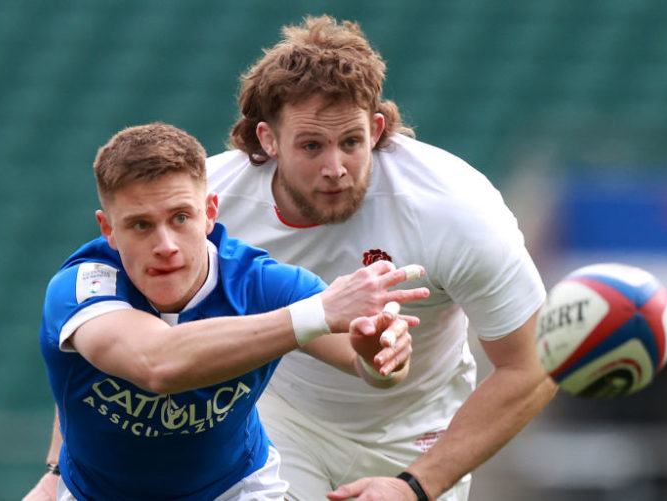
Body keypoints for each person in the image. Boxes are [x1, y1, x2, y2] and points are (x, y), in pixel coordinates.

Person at [206, 15, 558, 501]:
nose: (335, 169)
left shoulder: (452, 209)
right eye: (311, 146)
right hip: (276, 417)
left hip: (414, 437)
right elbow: (125, 323)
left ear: (374, 129)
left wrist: (415, 486)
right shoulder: (209, 205)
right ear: (268, 141)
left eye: (351, 142)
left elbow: (534, 364)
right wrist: (60, 466)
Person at [27, 122, 429, 501]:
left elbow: (373, 369)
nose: (165, 244)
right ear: (108, 229)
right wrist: (317, 314)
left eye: (181, 217)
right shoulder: (84, 288)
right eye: (140, 225)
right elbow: (157, 364)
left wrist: (381, 351)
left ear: (211, 212)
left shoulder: (264, 285)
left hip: (236, 488)